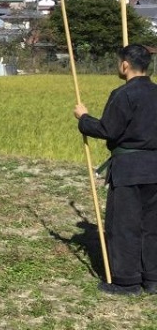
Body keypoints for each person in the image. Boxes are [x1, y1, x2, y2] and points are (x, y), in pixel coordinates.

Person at [73, 44, 157, 295]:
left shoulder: (123, 94)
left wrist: (83, 117)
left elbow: (107, 130)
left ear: (125, 65)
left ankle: (127, 281)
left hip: (130, 170)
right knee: (152, 225)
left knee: (125, 225)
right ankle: (153, 279)